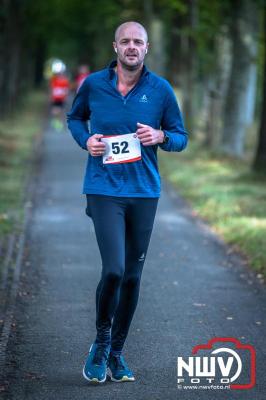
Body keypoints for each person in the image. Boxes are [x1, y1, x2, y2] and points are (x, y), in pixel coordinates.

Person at [67, 21, 188, 384]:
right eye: (125, 41)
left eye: (138, 42)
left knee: (133, 277)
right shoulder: (93, 85)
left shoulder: (161, 90)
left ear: (147, 48)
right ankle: (101, 341)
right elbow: (75, 118)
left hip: (143, 193)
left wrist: (161, 135)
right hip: (103, 189)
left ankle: (117, 354)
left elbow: (181, 138)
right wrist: (86, 141)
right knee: (115, 269)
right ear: (116, 47)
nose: (131, 47)